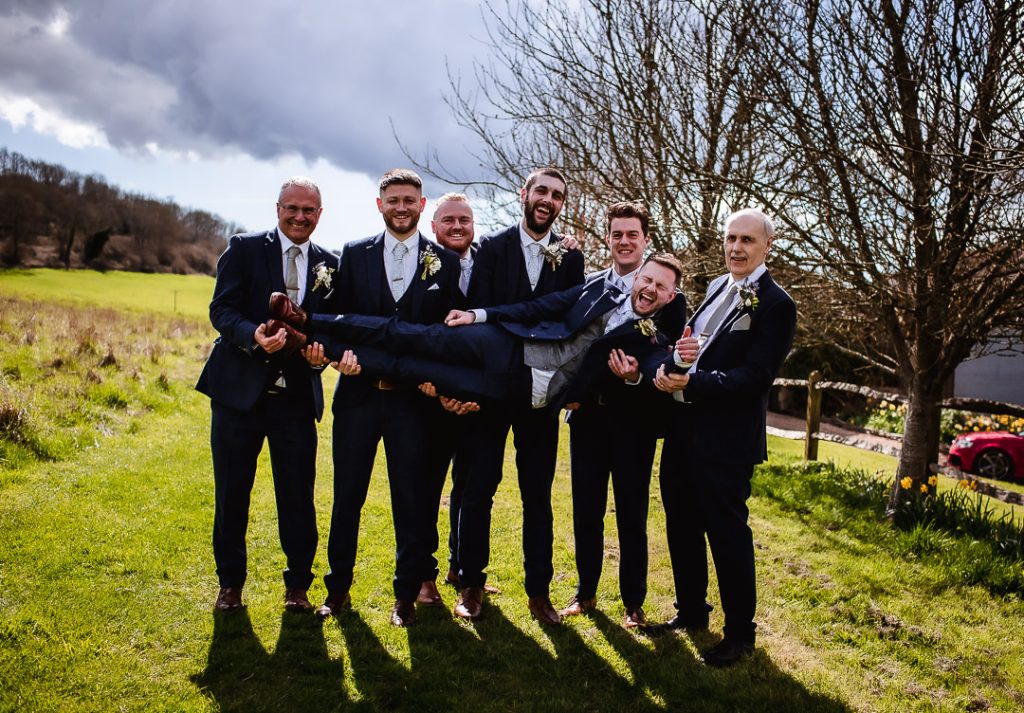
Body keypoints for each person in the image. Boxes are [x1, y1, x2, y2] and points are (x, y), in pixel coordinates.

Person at [314, 169, 462, 627]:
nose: (401, 207)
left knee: (412, 500)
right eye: (393, 199)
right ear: (380, 205)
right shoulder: (353, 256)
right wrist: (340, 358)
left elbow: (446, 334)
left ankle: (404, 595)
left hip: (412, 404)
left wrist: (435, 378)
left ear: (422, 206)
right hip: (358, 397)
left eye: (410, 200)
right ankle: (338, 589)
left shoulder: (445, 262)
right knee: (348, 496)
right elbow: (330, 319)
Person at [650, 208, 797, 667]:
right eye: (731, 238)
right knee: (682, 526)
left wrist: (691, 384)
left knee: (728, 535)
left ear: (767, 246)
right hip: (683, 429)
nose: (736, 247)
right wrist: (672, 367)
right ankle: (691, 612)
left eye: (748, 240)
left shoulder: (776, 304)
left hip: (727, 440)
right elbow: (695, 346)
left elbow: (755, 377)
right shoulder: (717, 287)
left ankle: (740, 634)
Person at [195, 176, 337, 614]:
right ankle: (230, 585)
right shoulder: (243, 248)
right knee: (232, 492)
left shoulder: (330, 264)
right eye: (291, 208)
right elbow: (221, 309)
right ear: (277, 210)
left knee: (297, 494)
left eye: (308, 210)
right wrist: (253, 335)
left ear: (319, 214)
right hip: (239, 395)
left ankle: (298, 586)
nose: (299, 216)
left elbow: (330, 327)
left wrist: (319, 358)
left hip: (294, 399)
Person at [457, 167, 585, 625]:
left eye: (557, 195)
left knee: (537, 495)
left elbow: (570, 324)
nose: (548, 200)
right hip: (493, 389)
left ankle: (538, 593)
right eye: (542, 191)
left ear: (561, 204)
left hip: (541, 396)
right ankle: (471, 583)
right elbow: (484, 321)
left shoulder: (569, 258)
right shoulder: (491, 248)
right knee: (479, 487)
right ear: (524, 194)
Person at [559, 202, 687, 629]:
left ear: (645, 240)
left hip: (634, 424)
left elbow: (664, 353)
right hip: (588, 421)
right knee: (586, 510)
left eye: (633, 234)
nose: (625, 241)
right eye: (617, 234)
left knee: (632, 514)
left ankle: (634, 601)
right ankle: (585, 592)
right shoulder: (594, 286)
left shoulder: (670, 297)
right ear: (608, 237)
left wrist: (634, 379)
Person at [420, 193, 481, 594]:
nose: (457, 226)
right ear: (433, 225)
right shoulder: (419, 265)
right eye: (448, 220)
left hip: (478, 400)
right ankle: (424, 574)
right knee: (426, 487)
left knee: (470, 488)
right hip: (429, 398)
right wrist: (434, 388)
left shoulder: (491, 263)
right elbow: (412, 328)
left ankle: (462, 570)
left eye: (464, 219)